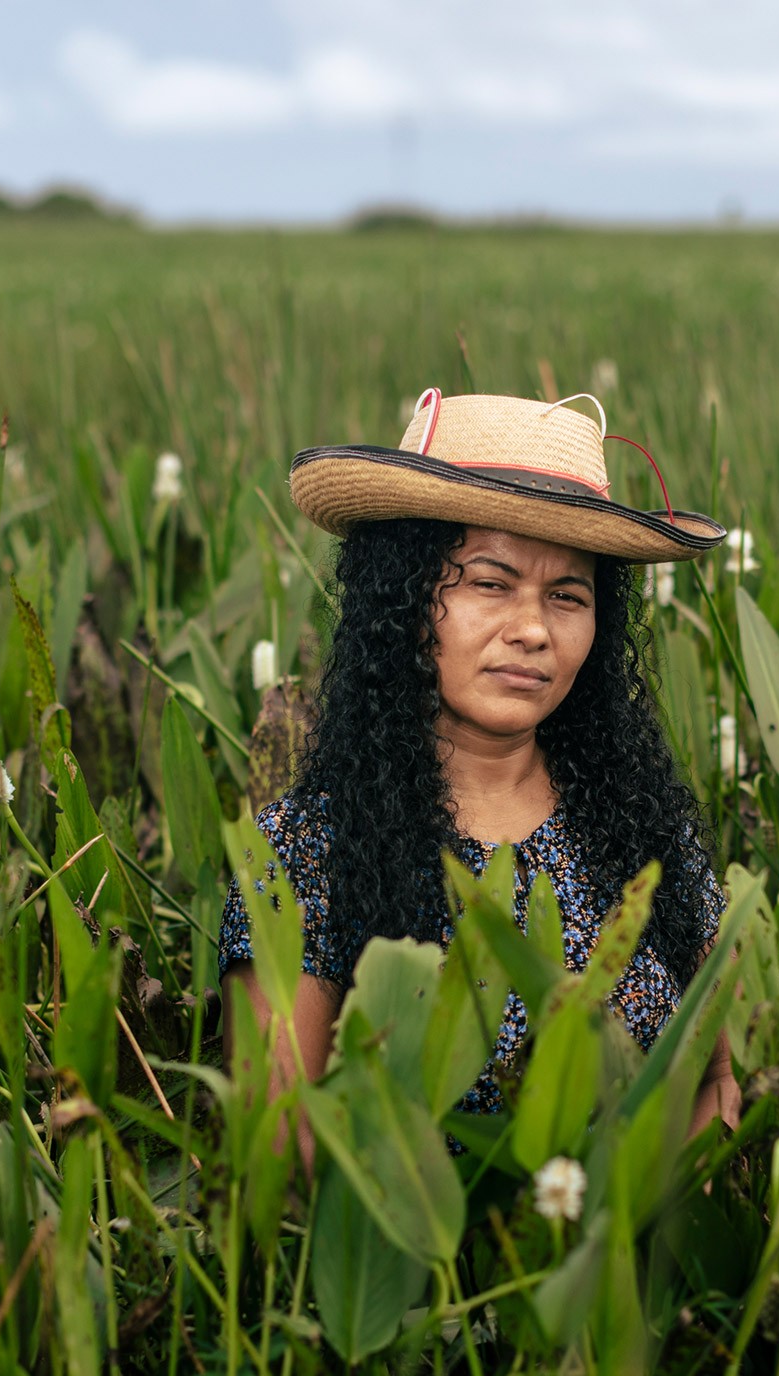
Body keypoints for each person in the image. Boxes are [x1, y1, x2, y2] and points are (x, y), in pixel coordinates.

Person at [218, 388, 737, 1156]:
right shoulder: (302, 856)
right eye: (490, 583)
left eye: (568, 595)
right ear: (401, 597)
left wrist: (618, 1225)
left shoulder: (645, 833)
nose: (531, 629)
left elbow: (727, 1078)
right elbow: (281, 1147)